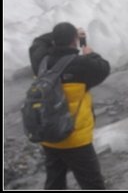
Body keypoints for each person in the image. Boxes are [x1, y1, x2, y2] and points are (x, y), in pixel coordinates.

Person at [29, 22, 110, 190]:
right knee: (93, 184)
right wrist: (90, 54)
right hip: (75, 139)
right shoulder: (83, 65)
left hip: (49, 135)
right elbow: (104, 68)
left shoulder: (40, 61)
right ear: (74, 41)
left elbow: (38, 42)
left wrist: (58, 35)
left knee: (54, 183)